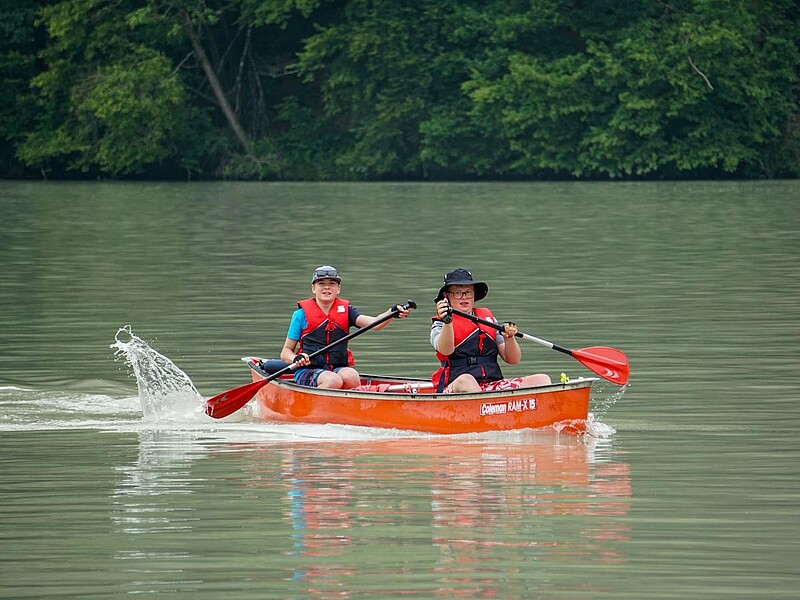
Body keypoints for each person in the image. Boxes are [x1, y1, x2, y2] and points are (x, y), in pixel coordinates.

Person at [281, 265, 410, 389]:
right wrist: (295, 358)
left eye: (332, 283)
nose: (327, 287)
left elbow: (375, 323)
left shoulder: (347, 311)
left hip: (336, 368)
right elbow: (285, 352)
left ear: (338, 289)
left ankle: (348, 403)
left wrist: (391, 313)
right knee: (332, 380)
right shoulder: (300, 315)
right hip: (308, 370)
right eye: (321, 284)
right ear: (313, 288)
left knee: (351, 376)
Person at [431, 268, 551, 393]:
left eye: (468, 292)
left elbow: (513, 360)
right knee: (466, 380)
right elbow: (446, 350)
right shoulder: (439, 324)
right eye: (457, 293)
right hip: (457, 387)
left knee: (542, 379)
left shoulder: (489, 320)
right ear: (446, 296)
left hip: (491, 385)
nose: (464, 297)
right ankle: (482, 402)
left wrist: (509, 338)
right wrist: (447, 321)